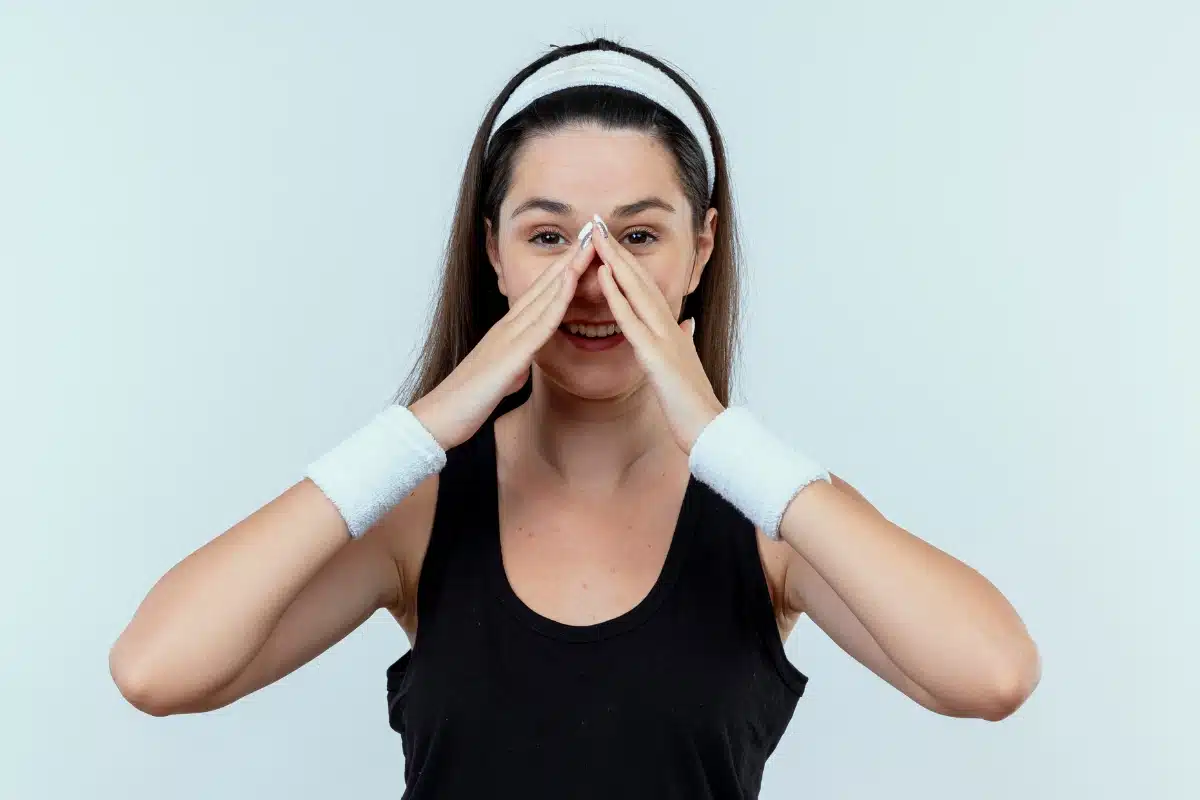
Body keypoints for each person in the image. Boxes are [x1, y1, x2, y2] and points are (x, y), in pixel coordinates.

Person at [109, 37, 1041, 798]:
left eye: (638, 237)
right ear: (495, 254)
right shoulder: (420, 508)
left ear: (701, 246)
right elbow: (157, 671)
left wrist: (718, 439)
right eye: (550, 237)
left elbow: (991, 676)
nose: (593, 283)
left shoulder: (774, 517)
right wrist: (426, 427)